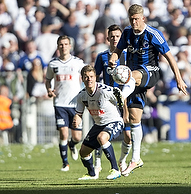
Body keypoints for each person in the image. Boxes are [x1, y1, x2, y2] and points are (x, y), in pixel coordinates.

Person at [108, 4, 187, 176]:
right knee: (135, 119)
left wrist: (179, 79)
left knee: (132, 75)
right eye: (131, 19)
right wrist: (113, 60)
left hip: (150, 72)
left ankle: (119, 95)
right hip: (133, 81)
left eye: (137, 19)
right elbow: (117, 51)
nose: (134, 22)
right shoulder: (127, 32)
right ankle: (136, 159)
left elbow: (170, 58)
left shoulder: (153, 34)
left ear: (143, 18)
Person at [94, 24, 132, 175]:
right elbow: (95, 79)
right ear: (108, 38)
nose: (115, 39)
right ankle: (97, 163)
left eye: (118, 36)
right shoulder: (102, 56)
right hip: (108, 101)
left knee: (128, 136)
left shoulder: (127, 56)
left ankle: (122, 160)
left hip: (125, 99)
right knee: (101, 133)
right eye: (113, 36)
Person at [74, 65, 123, 180]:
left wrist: (124, 114)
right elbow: (79, 113)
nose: (89, 79)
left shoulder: (105, 91)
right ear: (82, 78)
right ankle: (92, 174)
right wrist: (77, 119)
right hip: (99, 125)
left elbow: (120, 97)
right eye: (86, 77)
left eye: (91, 76)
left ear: (95, 77)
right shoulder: (81, 95)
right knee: (83, 152)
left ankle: (115, 170)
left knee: (102, 138)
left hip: (114, 121)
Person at [45, 35, 85, 172]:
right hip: (60, 103)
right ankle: (65, 163)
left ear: (70, 46)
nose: (63, 47)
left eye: (66, 44)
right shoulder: (53, 64)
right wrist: (49, 90)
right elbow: (48, 80)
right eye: (61, 44)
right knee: (63, 133)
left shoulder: (78, 62)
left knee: (77, 137)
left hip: (75, 104)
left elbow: (88, 75)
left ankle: (72, 145)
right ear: (58, 47)